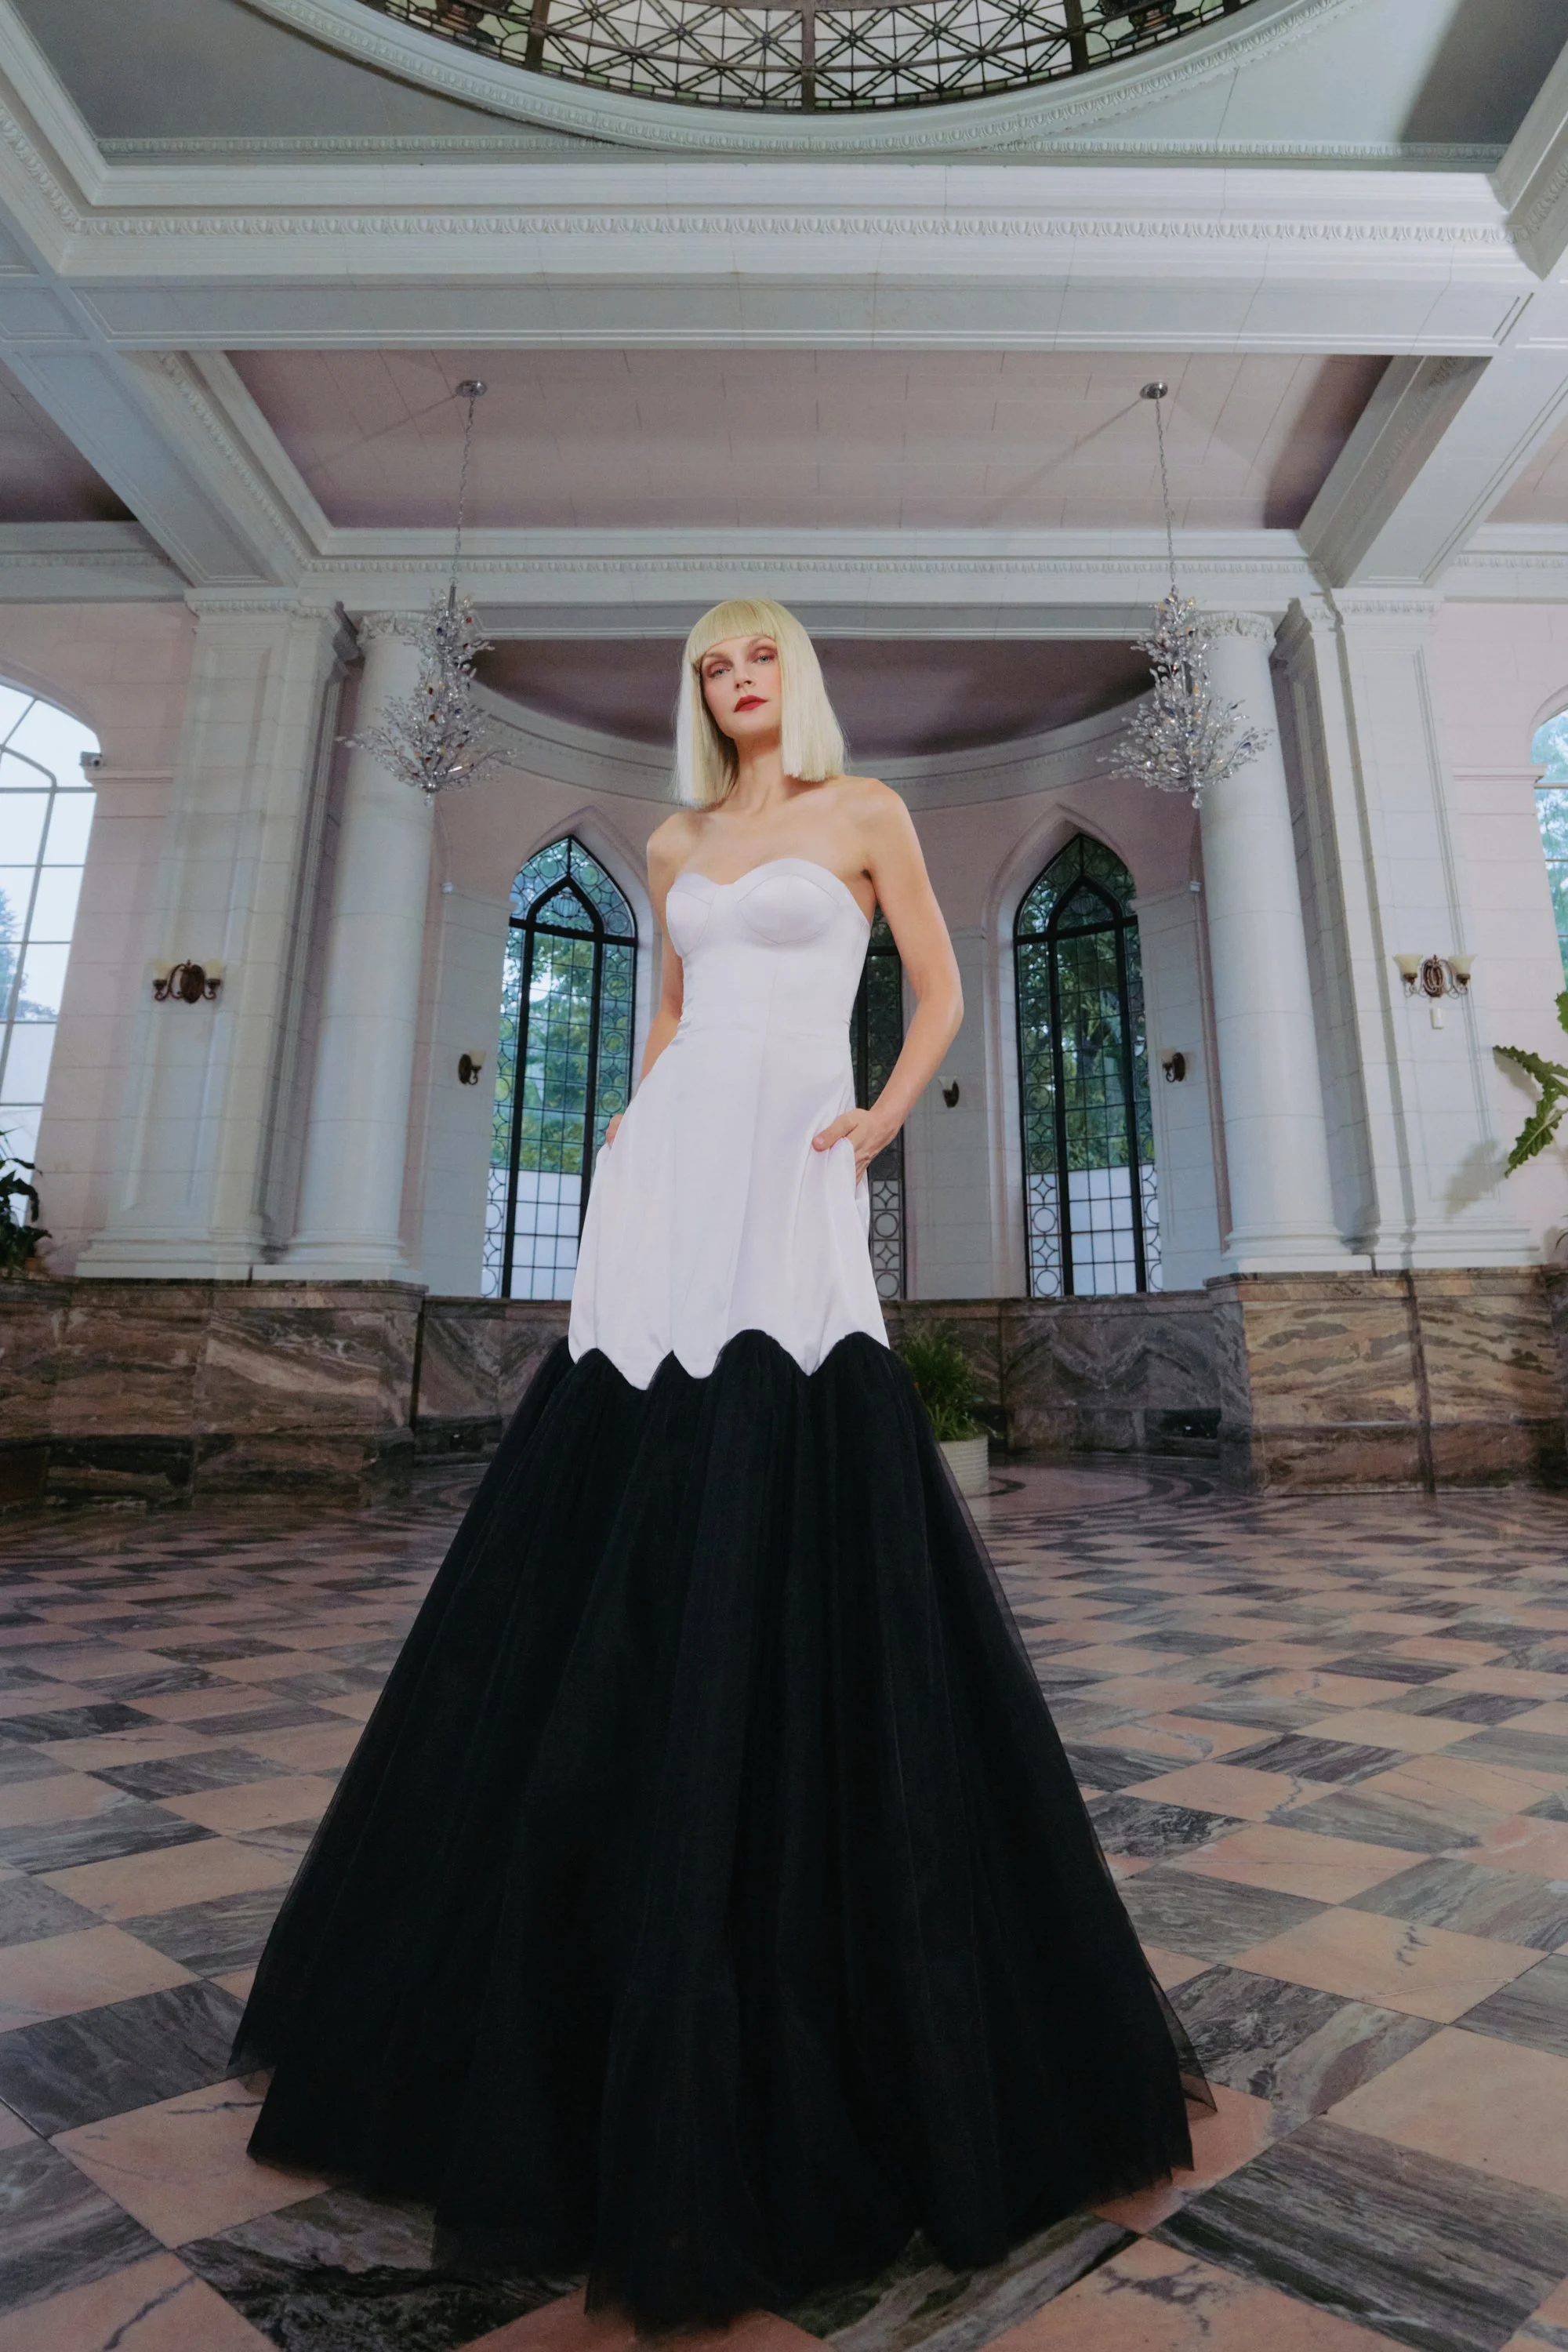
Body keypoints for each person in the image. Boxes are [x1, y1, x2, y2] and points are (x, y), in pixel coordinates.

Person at [235, 597, 1206, 2332]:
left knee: (799, 1413)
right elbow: (668, 1016)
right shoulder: (677, 838)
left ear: (794, 676)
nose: (734, 683)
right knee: (632, 1449)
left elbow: (940, 982)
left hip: (802, 1153)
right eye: (711, 667)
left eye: (755, 660)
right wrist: (624, 1127)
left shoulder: (867, 812)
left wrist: (882, 1117)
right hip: (674, 1161)